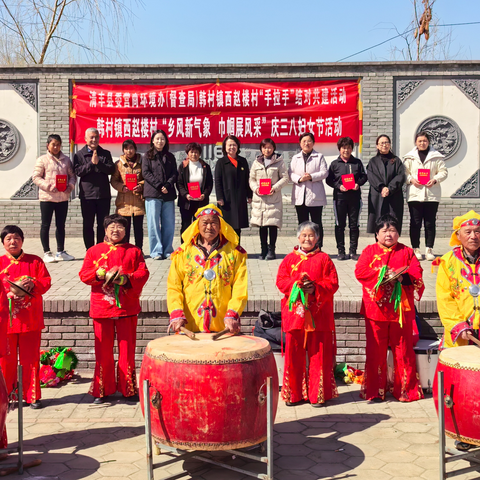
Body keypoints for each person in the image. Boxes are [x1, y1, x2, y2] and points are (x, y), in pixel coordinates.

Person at [79, 214, 149, 404]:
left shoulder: (134, 251)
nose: (116, 230)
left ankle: (128, 389)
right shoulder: (94, 251)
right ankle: (102, 389)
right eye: (112, 227)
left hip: (127, 307)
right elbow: (84, 275)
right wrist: (98, 274)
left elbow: (143, 273)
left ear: (126, 231)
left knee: (127, 349)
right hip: (102, 307)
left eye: (120, 227)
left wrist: (126, 279)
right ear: (105, 230)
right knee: (103, 350)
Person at [355, 214, 424, 402]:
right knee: (375, 351)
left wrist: (402, 277)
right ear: (376, 234)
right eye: (384, 230)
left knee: (403, 351)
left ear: (398, 234)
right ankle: (375, 391)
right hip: (375, 310)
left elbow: (417, 273)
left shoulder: (407, 252)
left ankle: (405, 391)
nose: (388, 234)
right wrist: (381, 273)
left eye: (392, 230)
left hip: (401, 310)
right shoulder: (369, 251)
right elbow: (360, 272)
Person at [276, 221, 338, 407]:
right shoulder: (289, 259)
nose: (307, 238)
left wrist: (315, 289)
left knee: (318, 355)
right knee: (293, 355)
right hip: (295, 315)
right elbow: (280, 281)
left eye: (311, 235)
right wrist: (296, 283)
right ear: (298, 237)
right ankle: (293, 395)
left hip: (318, 314)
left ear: (317, 238)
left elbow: (333, 284)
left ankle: (317, 395)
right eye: (304, 235)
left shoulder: (325, 259)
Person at [436, 210, 480, 451]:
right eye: (468, 232)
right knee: (463, 389)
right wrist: (458, 326)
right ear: (458, 235)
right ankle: (464, 433)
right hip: (461, 336)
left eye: (477, 231)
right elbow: (444, 298)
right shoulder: (447, 262)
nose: (473, 236)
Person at [167, 204, 247, 334]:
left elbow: (240, 288)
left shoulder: (235, 253)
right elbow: (174, 287)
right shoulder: (182, 253)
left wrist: (233, 313)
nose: (209, 227)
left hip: (223, 326)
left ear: (221, 225)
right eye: (205, 223)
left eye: (213, 223)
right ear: (197, 225)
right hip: (190, 325)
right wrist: (176, 312)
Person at [0, 225, 51, 409]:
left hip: (30, 319)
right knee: (6, 360)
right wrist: (7, 293)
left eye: (16, 238)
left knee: (30, 360)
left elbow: (46, 282)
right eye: (8, 239)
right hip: (6, 321)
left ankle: (32, 396)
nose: (13, 241)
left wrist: (33, 283)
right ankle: (7, 396)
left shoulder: (35, 261)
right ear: (3, 242)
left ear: (22, 240)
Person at [403, 131, 448, 261]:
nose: (422, 143)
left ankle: (429, 249)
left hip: (431, 195)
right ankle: (415, 249)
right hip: (415, 195)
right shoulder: (409, 157)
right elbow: (404, 173)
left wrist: (435, 179)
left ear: (428, 142)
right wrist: (411, 180)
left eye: (425, 141)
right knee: (415, 223)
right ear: (415, 142)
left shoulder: (436, 156)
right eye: (420, 141)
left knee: (430, 223)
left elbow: (443, 172)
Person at [32, 134, 76, 263]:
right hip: (47, 198)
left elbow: (72, 176)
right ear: (48, 145)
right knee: (45, 225)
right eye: (53, 144)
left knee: (61, 225)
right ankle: (46, 252)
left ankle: (60, 251)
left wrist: (70, 186)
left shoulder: (66, 160)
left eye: (58, 144)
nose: (56, 147)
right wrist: (48, 186)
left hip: (62, 198)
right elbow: (36, 177)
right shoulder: (42, 160)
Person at [326, 136, 367, 260]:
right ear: (339, 149)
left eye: (349, 148)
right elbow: (329, 180)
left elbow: (364, 177)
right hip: (339, 198)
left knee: (354, 225)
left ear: (352, 149)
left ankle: (353, 251)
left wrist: (357, 184)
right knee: (340, 225)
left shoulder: (357, 162)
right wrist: (338, 186)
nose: (346, 150)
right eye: (344, 148)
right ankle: (341, 250)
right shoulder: (334, 164)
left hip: (354, 198)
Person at [74, 127, 115, 250]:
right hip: (87, 196)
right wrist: (91, 164)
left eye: (96, 137)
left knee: (102, 225)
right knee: (88, 224)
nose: (94, 139)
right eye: (91, 137)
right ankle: (90, 250)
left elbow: (111, 170)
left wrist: (99, 163)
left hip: (103, 195)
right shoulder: (79, 155)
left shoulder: (105, 153)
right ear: (86, 139)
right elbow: (78, 172)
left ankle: (101, 248)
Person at [249, 138, 288, 260]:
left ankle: (272, 250)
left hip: (273, 199)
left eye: (270, 147)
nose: (267, 150)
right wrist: (256, 189)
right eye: (265, 147)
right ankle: (263, 249)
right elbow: (252, 179)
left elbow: (285, 178)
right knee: (262, 226)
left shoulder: (279, 162)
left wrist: (274, 188)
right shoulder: (256, 163)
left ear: (274, 148)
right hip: (260, 199)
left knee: (272, 225)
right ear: (261, 149)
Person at [288, 132, 328, 250]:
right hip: (300, 196)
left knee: (316, 223)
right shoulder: (295, 158)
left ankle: (318, 247)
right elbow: (290, 174)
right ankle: (304, 247)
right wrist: (300, 179)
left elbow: (324, 172)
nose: (307, 143)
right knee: (302, 224)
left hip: (315, 196)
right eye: (304, 141)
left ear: (313, 143)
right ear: (300, 143)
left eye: (309, 141)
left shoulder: (319, 156)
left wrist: (311, 176)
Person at [142, 129, 178, 260]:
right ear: (152, 141)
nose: (160, 141)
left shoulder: (170, 156)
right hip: (153, 194)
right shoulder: (147, 156)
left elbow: (174, 173)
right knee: (153, 224)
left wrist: (168, 185)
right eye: (157, 139)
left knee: (168, 223)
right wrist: (159, 185)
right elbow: (146, 173)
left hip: (168, 194)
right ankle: (156, 251)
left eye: (162, 139)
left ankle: (168, 249)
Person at [214, 135, 252, 242]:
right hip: (226, 199)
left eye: (234, 145)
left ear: (238, 146)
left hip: (240, 198)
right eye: (229, 145)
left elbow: (247, 179)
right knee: (226, 225)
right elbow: (217, 181)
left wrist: (249, 195)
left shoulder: (243, 161)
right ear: (225, 147)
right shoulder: (221, 162)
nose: (232, 147)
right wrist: (220, 197)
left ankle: (236, 247)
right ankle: (225, 248)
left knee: (237, 225)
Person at [367, 134, 406, 236]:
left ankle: (393, 246)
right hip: (378, 195)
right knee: (378, 222)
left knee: (393, 222)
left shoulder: (396, 161)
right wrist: (381, 187)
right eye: (382, 143)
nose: (384, 145)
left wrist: (389, 188)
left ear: (390, 145)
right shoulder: (373, 161)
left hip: (394, 195)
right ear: (377, 146)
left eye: (386, 142)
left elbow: (400, 176)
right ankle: (379, 247)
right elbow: (371, 176)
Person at [110, 139, 145, 251]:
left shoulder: (142, 163)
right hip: (123, 202)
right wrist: (121, 187)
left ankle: (139, 250)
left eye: (131, 148)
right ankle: (125, 250)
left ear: (135, 149)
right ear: (123, 150)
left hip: (138, 200)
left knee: (138, 228)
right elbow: (113, 181)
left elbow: (146, 179)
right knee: (124, 228)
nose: (129, 151)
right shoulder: (118, 164)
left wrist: (140, 186)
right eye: (126, 148)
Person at [176, 142, 213, 237]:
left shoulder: (205, 166)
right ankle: (185, 247)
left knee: (200, 225)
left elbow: (209, 183)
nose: (194, 154)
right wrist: (185, 195)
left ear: (199, 154)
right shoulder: (183, 167)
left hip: (201, 201)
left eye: (196, 152)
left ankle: (199, 247)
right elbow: (179, 183)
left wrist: (204, 195)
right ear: (187, 153)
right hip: (186, 202)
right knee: (186, 225)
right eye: (191, 152)